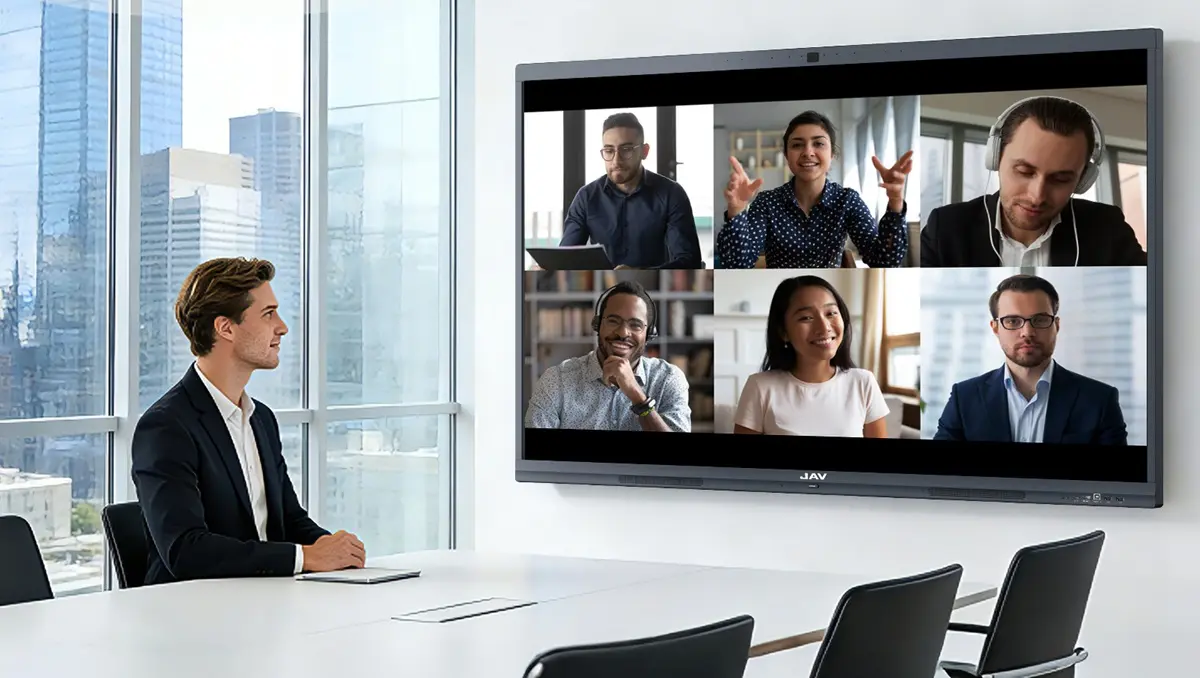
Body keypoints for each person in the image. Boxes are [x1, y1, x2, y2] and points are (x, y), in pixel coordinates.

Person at [132, 257, 367, 585]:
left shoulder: (262, 420)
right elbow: (185, 551)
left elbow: (289, 520)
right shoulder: (166, 427)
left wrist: (338, 551)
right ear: (225, 327)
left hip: (266, 601)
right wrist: (306, 557)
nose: (282, 326)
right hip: (192, 616)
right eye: (268, 314)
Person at [920, 96, 1147, 267]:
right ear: (996, 158)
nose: (1037, 196)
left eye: (1061, 179)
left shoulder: (1107, 228)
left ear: (1083, 180)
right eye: (1024, 172)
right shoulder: (946, 228)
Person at [933, 274, 1128, 444]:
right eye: (1012, 321)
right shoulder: (964, 397)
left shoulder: (1099, 399)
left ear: (1056, 326)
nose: (1027, 332)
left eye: (1040, 319)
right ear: (995, 328)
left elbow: (1116, 480)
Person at [715, 110, 912, 269]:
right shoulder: (767, 202)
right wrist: (737, 210)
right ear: (786, 154)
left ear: (832, 154)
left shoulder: (847, 200)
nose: (808, 152)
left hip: (829, 292)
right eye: (797, 145)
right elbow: (737, 264)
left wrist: (895, 201)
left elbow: (884, 261)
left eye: (818, 143)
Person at [734, 275, 889, 438]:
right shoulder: (760, 386)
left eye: (831, 313)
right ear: (783, 332)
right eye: (806, 317)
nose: (824, 327)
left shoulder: (864, 383)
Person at [525, 280, 691, 431]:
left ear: (648, 335)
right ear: (597, 325)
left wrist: (637, 395)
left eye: (635, 325)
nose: (623, 333)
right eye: (613, 321)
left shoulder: (668, 378)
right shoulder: (556, 380)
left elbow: (679, 459)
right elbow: (534, 454)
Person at [557, 112, 702, 269]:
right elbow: (566, 257)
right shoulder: (586, 197)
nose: (616, 160)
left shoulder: (671, 194)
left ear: (644, 152)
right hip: (602, 288)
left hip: (654, 288)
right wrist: (549, 268)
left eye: (626, 149)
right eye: (609, 150)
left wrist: (638, 273)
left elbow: (689, 261)